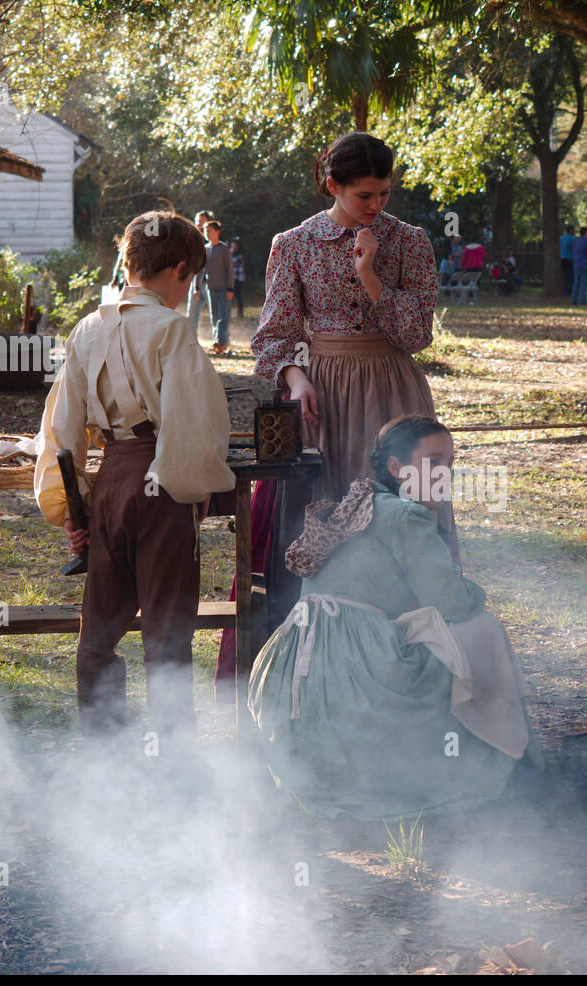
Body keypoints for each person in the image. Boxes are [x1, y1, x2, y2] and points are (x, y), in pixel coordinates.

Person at [215, 131, 447, 697]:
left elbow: (417, 335)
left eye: (385, 194)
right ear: (331, 185)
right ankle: (317, 670)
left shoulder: (409, 242)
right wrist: (294, 376)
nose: (376, 206)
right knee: (325, 522)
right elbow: (272, 338)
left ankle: (405, 670)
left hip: (394, 392)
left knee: (399, 516)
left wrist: (371, 278)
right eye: (364, 195)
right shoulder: (293, 243)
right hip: (326, 397)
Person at [247, 415, 543, 820]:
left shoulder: (359, 504)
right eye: (433, 462)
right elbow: (452, 601)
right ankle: (500, 761)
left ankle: (324, 775)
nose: (444, 475)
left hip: (290, 669)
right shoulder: (404, 516)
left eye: (450, 465)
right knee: (482, 630)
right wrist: (478, 592)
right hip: (351, 668)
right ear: (396, 469)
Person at [34, 211, 235, 745]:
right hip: (162, 480)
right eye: (188, 280)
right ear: (176, 270)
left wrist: (72, 508)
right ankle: (173, 759)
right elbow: (193, 424)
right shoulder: (172, 329)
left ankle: (106, 755)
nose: (185, 291)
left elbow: (62, 432)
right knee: (167, 629)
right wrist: (194, 493)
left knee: (99, 627)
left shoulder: (86, 329)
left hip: (113, 481)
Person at [203, 220, 234, 354]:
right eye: (205, 231)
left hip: (224, 288)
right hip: (210, 288)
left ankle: (220, 342)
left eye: (209, 231)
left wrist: (230, 288)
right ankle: (222, 343)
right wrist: (198, 288)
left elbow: (230, 269)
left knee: (223, 316)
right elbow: (201, 270)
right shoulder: (205, 249)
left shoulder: (224, 249)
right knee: (214, 316)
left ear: (217, 232)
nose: (207, 233)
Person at [186, 211, 211, 332]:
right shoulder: (191, 237)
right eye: (197, 221)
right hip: (195, 278)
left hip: (210, 281)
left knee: (215, 312)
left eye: (202, 221)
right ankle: (190, 335)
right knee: (192, 311)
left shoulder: (214, 239)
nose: (199, 224)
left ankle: (220, 340)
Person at [571, 226, 587, 305]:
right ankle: (581, 300)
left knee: (576, 282)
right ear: (586, 233)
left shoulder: (575, 241)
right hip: (585, 265)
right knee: (583, 283)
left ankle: (574, 299)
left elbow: (572, 251)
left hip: (576, 264)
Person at [230, 237, 246, 319]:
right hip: (232, 278)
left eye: (234, 244)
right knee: (231, 295)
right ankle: (230, 313)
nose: (232, 246)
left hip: (238, 278)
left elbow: (231, 263)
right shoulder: (232, 253)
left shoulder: (240, 255)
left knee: (238, 295)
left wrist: (230, 253)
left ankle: (240, 313)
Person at [559, 223, 575, 298]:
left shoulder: (561, 238)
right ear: (571, 230)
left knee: (564, 275)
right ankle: (569, 291)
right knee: (570, 275)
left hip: (562, 258)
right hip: (569, 259)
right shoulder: (572, 238)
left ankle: (564, 290)